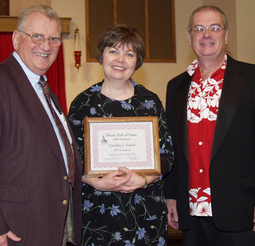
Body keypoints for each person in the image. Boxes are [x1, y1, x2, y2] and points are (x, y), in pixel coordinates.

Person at [163, 5, 255, 246]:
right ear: (189, 37)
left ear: (226, 35)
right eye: (199, 29)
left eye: (214, 28)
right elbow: (173, 146)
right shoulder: (176, 86)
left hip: (242, 210)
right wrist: (171, 196)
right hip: (191, 211)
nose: (206, 34)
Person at [0, 4, 82, 246]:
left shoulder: (47, 93)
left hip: (52, 225)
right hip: (14, 229)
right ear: (16, 39)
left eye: (53, 39)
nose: (45, 46)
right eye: (36, 36)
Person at [68, 23, 174, 246]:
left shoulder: (150, 102)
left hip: (146, 212)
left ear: (137, 61)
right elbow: (70, 158)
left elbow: (167, 154)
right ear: (101, 55)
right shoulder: (82, 103)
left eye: (129, 54)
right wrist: (96, 182)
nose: (120, 59)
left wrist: (143, 179)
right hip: (98, 212)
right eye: (113, 51)